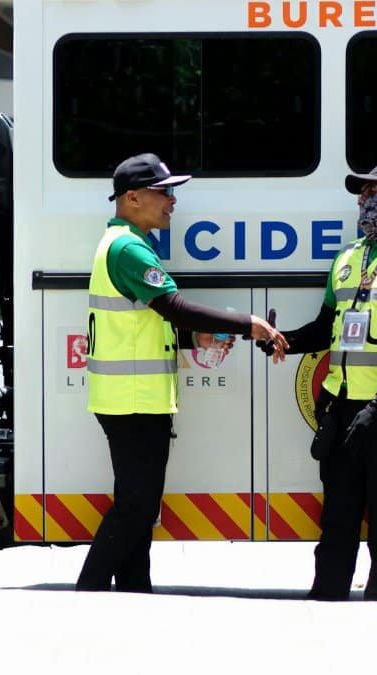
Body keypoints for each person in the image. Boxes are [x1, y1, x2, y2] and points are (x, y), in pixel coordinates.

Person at [77, 152, 288, 592]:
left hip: (131, 399)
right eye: (165, 192)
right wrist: (247, 324)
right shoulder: (129, 248)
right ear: (132, 197)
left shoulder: (123, 243)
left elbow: (146, 322)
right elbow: (173, 308)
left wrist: (197, 340)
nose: (173, 201)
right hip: (133, 402)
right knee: (136, 507)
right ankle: (89, 592)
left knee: (138, 505)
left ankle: (135, 590)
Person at [263, 160, 377, 601]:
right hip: (343, 409)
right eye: (361, 192)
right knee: (336, 524)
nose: (363, 200)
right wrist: (281, 341)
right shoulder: (347, 258)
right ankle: (325, 605)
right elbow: (323, 329)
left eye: (374, 190)